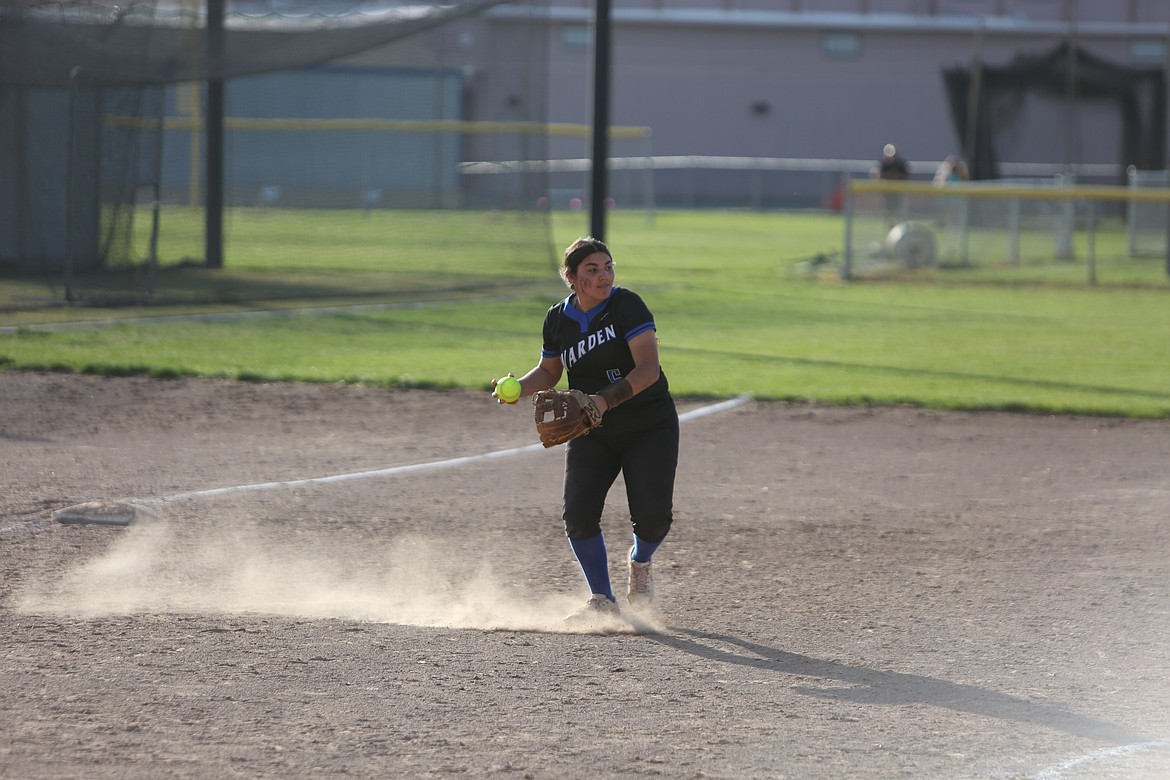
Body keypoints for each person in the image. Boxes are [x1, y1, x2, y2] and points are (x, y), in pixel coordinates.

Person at [491, 236, 679, 625]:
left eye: (608, 266)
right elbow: (549, 372)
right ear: (571, 277)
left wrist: (604, 400)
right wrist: (518, 389)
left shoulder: (627, 305)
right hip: (592, 427)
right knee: (577, 513)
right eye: (591, 269)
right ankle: (602, 599)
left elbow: (647, 370)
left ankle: (640, 562)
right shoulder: (558, 318)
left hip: (649, 423)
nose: (603, 276)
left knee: (653, 517)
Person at [872, 143, 911, 226]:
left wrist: (895, 177)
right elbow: (875, 173)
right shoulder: (883, 164)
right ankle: (890, 225)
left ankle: (900, 226)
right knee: (888, 211)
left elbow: (908, 173)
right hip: (887, 193)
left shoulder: (901, 164)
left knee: (899, 211)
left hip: (898, 192)